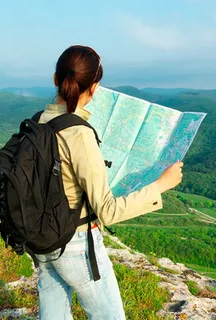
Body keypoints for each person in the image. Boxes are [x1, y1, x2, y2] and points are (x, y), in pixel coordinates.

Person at [34, 44, 184, 320]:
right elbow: (108, 211)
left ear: (56, 79)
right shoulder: (78, 134)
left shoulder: (39, 120)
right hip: (75, 240)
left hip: (42, 237)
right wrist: (161, 185)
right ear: (95, 87)